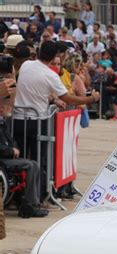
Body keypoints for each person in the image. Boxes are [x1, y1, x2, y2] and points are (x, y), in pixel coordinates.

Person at [13, 41, 100, 202]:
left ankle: (18, 196)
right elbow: (68, 98)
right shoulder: (50, 75)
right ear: (55, 56)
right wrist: (91, 98)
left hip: (18, 119)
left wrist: (51, 98)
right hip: (38, 122)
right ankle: (36, 198)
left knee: (21, 160)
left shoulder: (26, 66)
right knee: (40, 160)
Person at [0, 102, 48, 218]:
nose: (10, 108)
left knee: (34, 164)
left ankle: (33, 203)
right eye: (8, 106)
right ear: (1, 108)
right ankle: (30, 203)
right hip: (2, 158)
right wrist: (11, 151)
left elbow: (11, 140)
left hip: (7, 156)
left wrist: (14, 148)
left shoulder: (3, 123)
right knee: (29, 166)